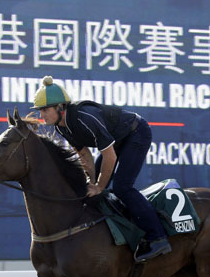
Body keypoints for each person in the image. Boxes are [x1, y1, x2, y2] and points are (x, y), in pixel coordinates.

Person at [32, 75, 171, 261]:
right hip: (118, 139)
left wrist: (99, 186)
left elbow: (110, 156)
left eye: (45, 110)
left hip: (136, 133)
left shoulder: (83, 118)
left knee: (122, 187)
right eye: (40, 111)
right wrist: (91, 181)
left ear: (60, 108)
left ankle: (158, 238)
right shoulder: (61, 127)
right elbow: (85, 156)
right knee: (90, 189)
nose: (42, 115)